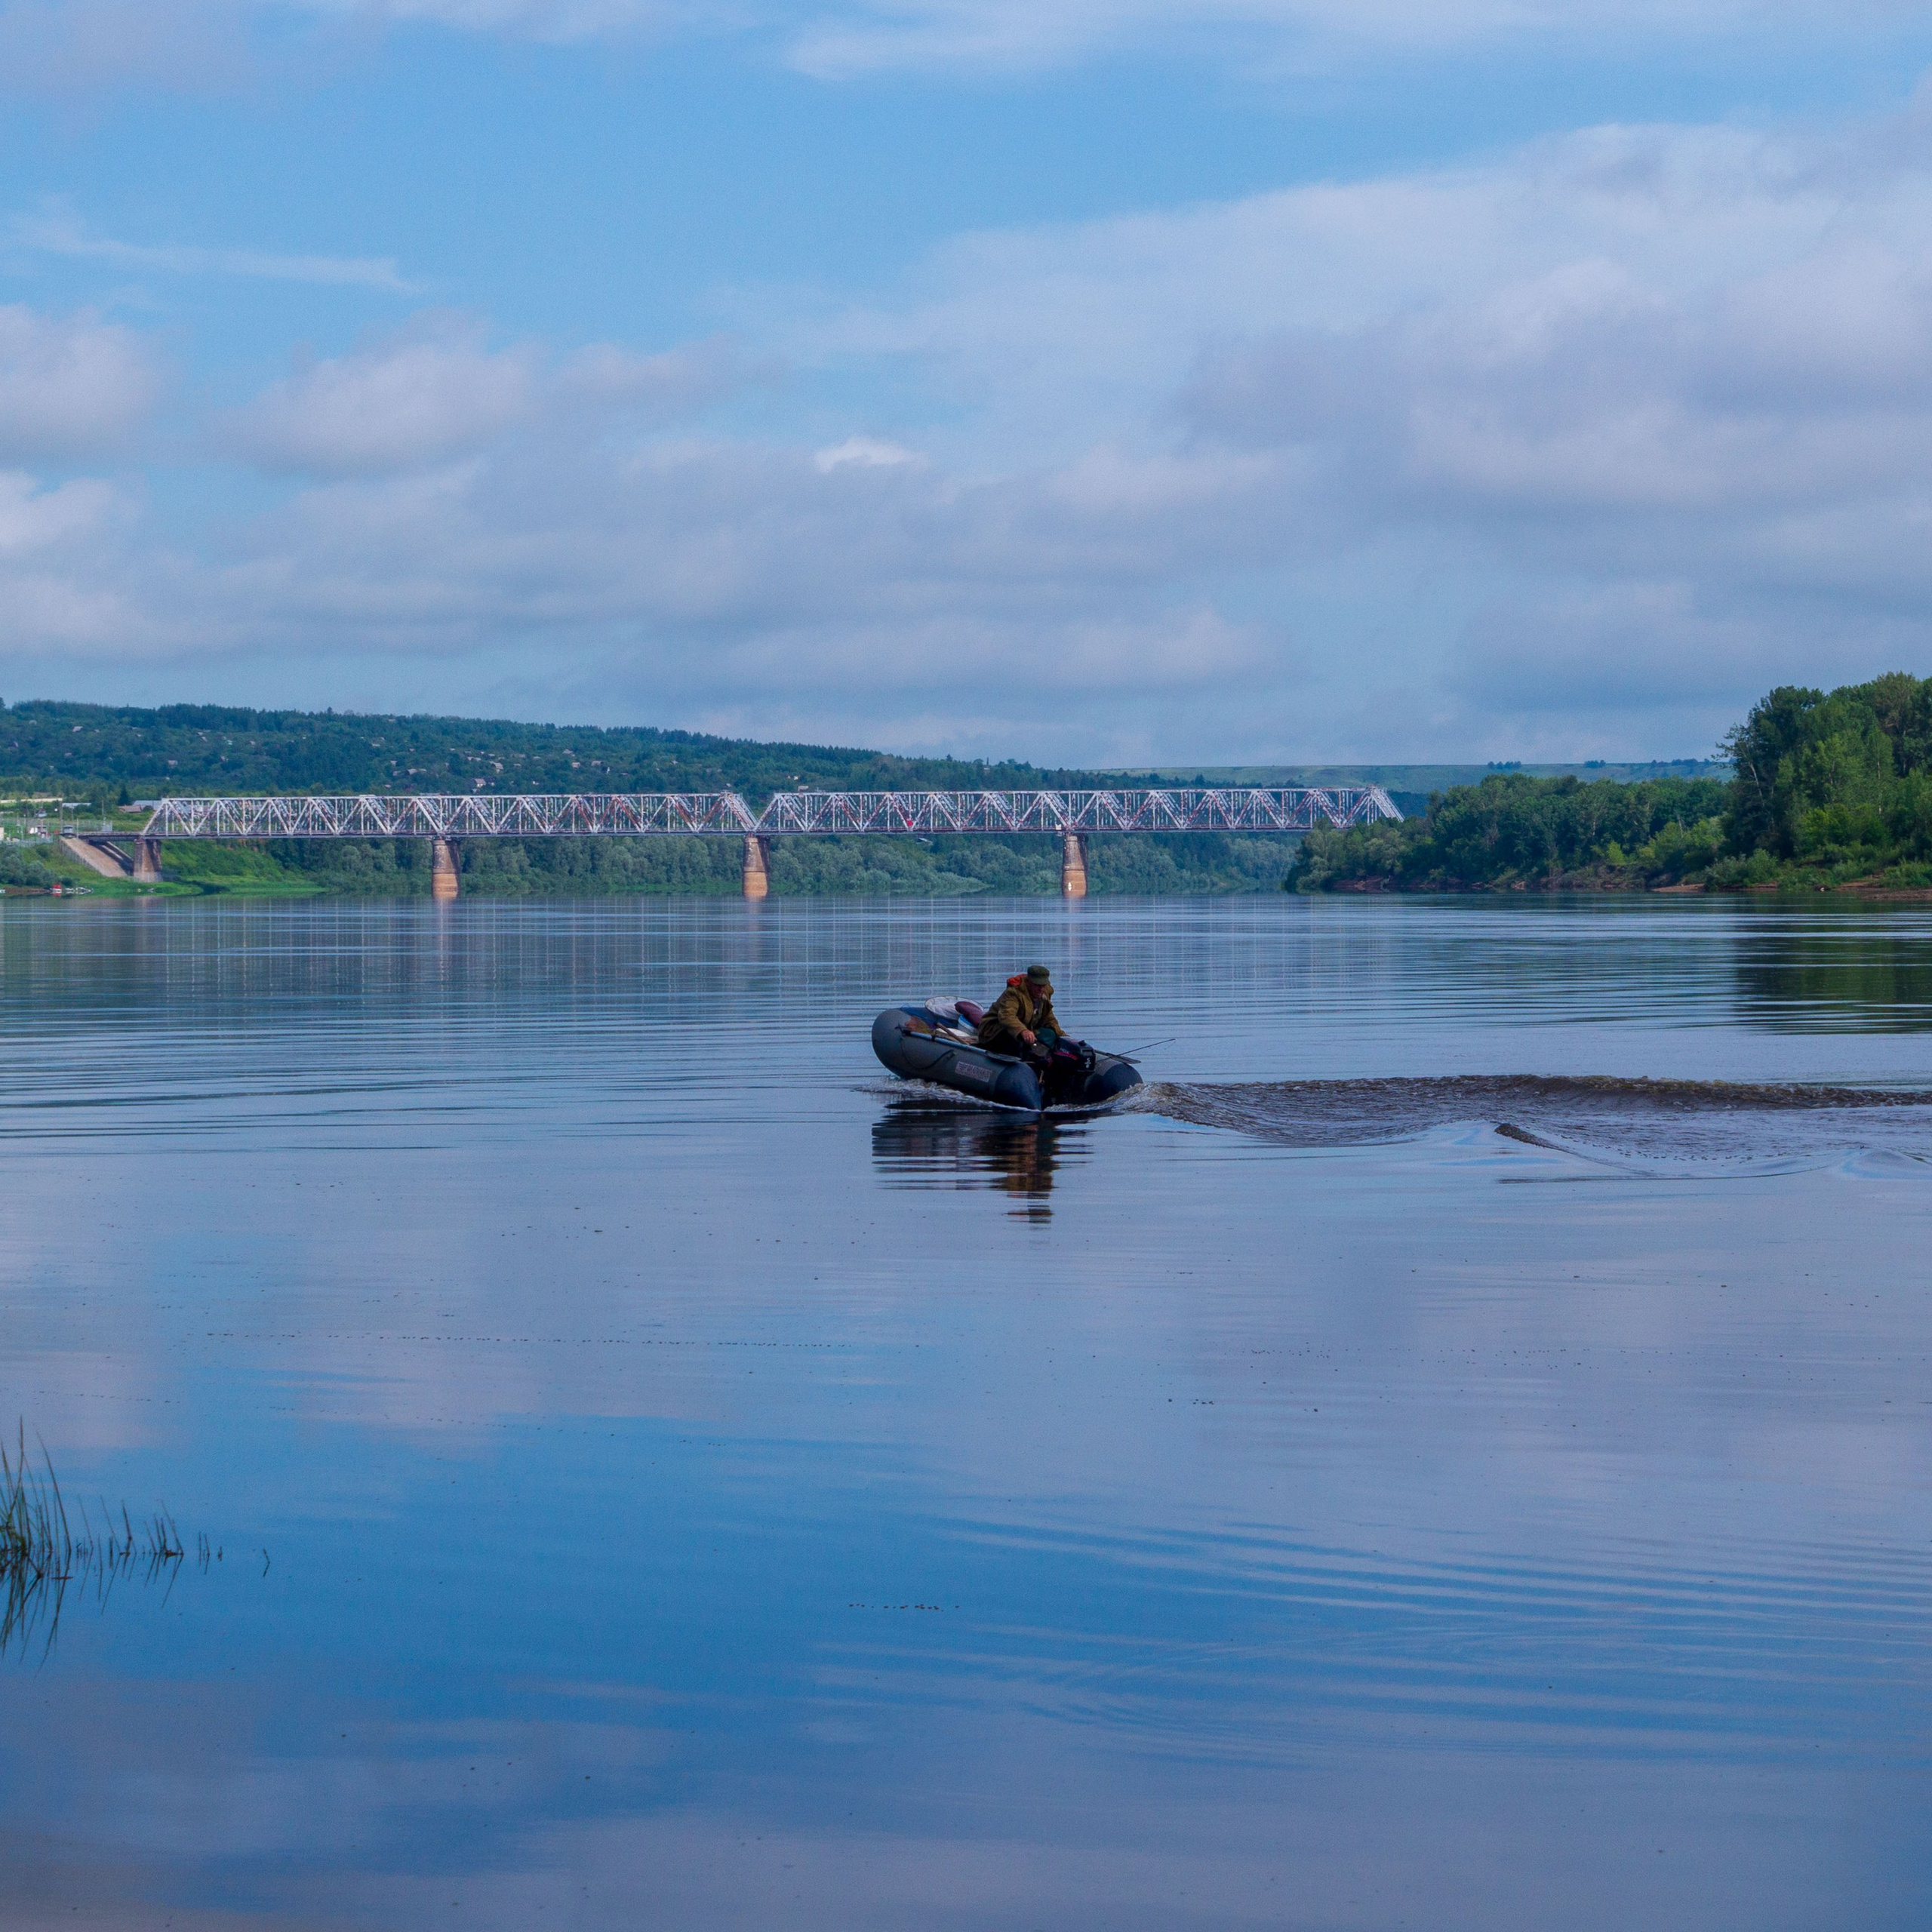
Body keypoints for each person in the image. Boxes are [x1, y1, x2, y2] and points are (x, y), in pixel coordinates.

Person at [977, 964, 1067, 1063]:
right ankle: (1018, 1064)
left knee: (1050, 1034)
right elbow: (1007, 1016)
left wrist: (1064, 1037)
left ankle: (1041, 1061)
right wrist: (1023, 1031)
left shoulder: (1044, 994)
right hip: (996, 1030)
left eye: (1043, 985)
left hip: (1027, 1030)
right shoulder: (1014, 993)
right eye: (1037, 985)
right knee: (1015, 1041)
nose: (1041, 989)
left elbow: (1049, 1018)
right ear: (1028, 982)